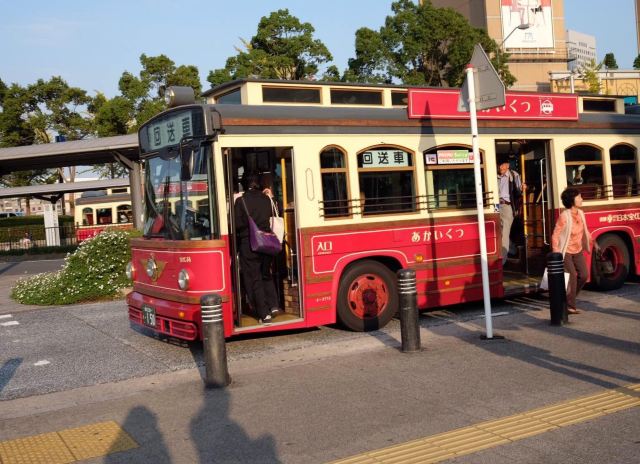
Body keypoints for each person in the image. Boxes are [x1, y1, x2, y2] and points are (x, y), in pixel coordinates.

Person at [234, 172, 279, 325]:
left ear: (244, 185)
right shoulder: (266, 199)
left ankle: (264, 313)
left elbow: (237, 224)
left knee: (255, 279)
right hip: (267, 242)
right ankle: (273, 306)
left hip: (250, 244)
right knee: (266, 274)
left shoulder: (241, 201)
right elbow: (273, 215)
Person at [551, 187, 598, 314]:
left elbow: (585, 230)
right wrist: (556, 252)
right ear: (572, 200)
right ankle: (570, 305)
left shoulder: (581, 213)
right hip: (565, 251)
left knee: (584, 275)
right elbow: (555, 235)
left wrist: (594, 243)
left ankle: (569, 298)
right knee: (572, 275)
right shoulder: (564, 216)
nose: (581, 199)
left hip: (578, 249)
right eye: (579, 197)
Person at [497, 158, 525, 265]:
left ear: (507, 165)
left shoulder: (514, 175)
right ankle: (511, 249)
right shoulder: (495, 176)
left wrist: (522, 188)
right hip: (496, 206)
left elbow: (519, 191)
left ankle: (502, 261)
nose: (500, 167)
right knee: (498, 232)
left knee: (504, 233)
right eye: (499, 164)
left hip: (507, 206)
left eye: (502, 164)